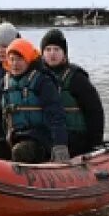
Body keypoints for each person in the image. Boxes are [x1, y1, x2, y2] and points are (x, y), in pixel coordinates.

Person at [0, 39, 69, 164]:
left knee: (20, 152)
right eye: (12, 59)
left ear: (28, 59)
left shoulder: (42, 81)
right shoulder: (5, 83)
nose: (15, 64)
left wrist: (60, 144)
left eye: (19, 59)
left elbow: (56, 114)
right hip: (12, 138)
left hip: (39, 140)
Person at [39, 28, 105, 156]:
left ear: (64, 53)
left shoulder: (77, 78)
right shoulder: (36, 77)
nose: (52, 54)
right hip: (46, 136)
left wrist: (95, 143)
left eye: (56, 49)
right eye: (48, 50)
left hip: (75, 138)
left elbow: (94, 111)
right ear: (42, 53)